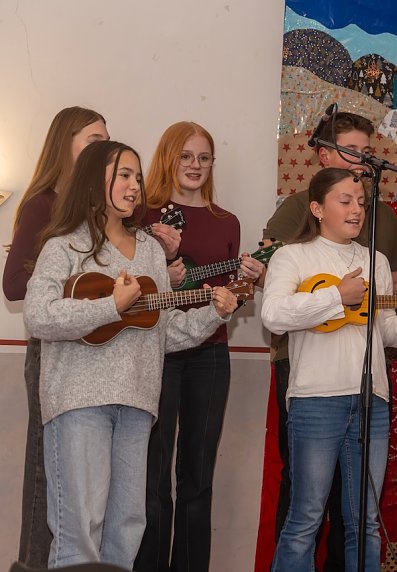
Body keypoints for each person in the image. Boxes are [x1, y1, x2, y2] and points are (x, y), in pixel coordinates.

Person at [22, 140, 238, 569]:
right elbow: (38, 316)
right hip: (79, 403)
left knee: (128, 527)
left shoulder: (152, 251)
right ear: (92, 180)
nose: (135, 185)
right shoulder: (64, 245)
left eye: (137, 177)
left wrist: (212, 314)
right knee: (79, 530)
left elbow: (166, 331)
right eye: (124, 174)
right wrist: (111, 306)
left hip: (138, 404)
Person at [261, 167, 397, 571]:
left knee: (365, 521)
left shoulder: (374, 260)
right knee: (305, 517)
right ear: (318, 208)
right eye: (346, 201)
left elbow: (387, 333)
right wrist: (335, 296)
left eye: (361, 202)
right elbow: (273, 315)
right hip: (315, 400)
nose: (357, 210)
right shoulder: (293, 256)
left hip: (370, 403)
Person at [132, 122, 264, 572]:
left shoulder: (228, 222)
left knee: (198, 477)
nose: (195, 166)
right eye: (186, 156)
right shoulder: (141, 216)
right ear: (169, 158)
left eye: (203, 158)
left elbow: (234, 293)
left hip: (211, 353)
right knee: (152, 482)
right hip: (156, 354)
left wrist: (247, 284)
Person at [3, 107, 112, 568]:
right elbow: (13, 287)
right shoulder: (43, 204)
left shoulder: (102, 210)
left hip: (95, 354)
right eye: (93, 139)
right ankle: (30, 564)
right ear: (64, 144)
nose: (103, 148)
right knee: (46, 470)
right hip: (52, 352)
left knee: (84, 480)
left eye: (108, 139)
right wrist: (68, 289)